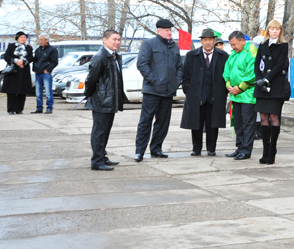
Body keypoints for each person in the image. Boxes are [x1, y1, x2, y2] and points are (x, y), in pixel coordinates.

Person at [135, 18, 183, 161]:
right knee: (146, 121)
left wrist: (176, 81)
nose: (170, 33)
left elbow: (180, 66)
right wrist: (154, 81)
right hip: (152, 91)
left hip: (168, 91)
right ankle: (140, 151)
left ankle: (156, 148)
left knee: (163, 122)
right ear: (159, 31)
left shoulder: (174, 47)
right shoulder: (149, 44)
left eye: (170, 30)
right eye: (167, 30)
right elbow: (142, 64)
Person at [180, 29, 228, 156]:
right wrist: (188, 90)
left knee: (213, 124)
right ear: (201, 41)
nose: (207, 42)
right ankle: (196, 148)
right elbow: (185, 75)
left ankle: (211, 149)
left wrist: (223, 91)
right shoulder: (191, 55)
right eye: (205, 40)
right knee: (196, 123)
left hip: (215, 96)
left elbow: (227, 75)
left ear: (214, 41)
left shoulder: (223, 56)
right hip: (196, 96)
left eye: (210, 40)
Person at [84, 29, 125, 171]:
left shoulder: (114, 56)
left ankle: (102, 156)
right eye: (114, 39)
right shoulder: (99, 57)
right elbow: (90, 80)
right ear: (105, 40)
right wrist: (89, 94)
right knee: (99, 131)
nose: (117, 42)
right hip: (102, 100)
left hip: (110, 100)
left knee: (106, 130)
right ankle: (96, 161)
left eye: (119, 39)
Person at [255, 19, 291, 164]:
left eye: (277, 29)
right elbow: (257, 65)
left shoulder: (283, 46)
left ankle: (272, 150)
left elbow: (279, 65)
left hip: (276, 86)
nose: (274, 31)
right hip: (262, 87)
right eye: (272, 29)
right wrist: (259, 80)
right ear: (268, 31)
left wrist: (266, 80)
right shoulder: (263, 45)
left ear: (280, 31)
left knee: (274, 117)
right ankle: (265, 150)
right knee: (263, 117)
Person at [222, 31, 257, 159]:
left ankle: (246, 150)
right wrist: (229, 85)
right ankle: (239, 147)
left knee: (247, 123)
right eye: (231, 45)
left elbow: (252, 73)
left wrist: (240, 88)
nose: (233, 47)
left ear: (243, 41)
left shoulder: (251, 52)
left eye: (234, 44)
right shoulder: (233, 54)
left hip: (248, 95)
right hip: (235, 95)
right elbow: (227, 70)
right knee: (237, 123)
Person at [2, 32, 33, 115]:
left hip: (24, 71)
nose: (23, 38)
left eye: (24, 37)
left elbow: (31, 57)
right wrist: (16, 61)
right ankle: (11, 109)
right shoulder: (11, 46)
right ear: (17, 38)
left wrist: (23, 61)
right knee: (12, 91)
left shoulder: (29, 48)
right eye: (21, 37)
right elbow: (6, 56)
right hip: (13, 71)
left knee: (22, 91)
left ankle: (19, 109)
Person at [31, 35, 58, 114]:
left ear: (47, 40)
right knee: (38, 92)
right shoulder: (38, 50)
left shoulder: (52, 50)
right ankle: (39, 108)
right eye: (39, 40)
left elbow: (54, 61)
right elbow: (35, 60)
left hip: (46, 73)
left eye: (42, 40)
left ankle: (49, 107)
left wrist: (48, 69)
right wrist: (34, 69)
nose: (41, 41)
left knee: (48, 92)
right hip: (38, 73)